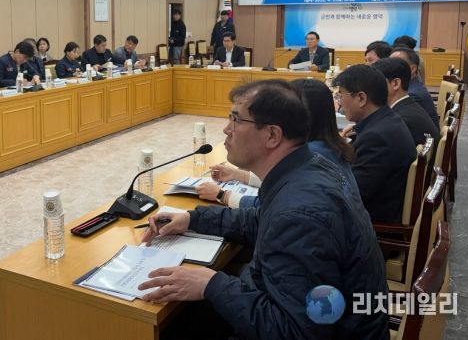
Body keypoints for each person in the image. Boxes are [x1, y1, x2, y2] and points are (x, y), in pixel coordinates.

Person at [139, 80, 388, 339]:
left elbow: (294, 331)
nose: (226, 129)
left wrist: (211, 284)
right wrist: (192, 219)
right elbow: (259, 221)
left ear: (272, 136)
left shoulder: (300, 212)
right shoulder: (307, 167)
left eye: (236, 120)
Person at [197, 78, 358, 208]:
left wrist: (222, 195)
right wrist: (239, 175)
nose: (226, 129)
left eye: (237, 120)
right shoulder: (322, 149)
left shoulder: (314, 156)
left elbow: (266, 208)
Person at [333, 64, 417, 223]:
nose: (340, 103)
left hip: (375, 224)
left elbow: (352, 195)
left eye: (341, 95)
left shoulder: (377, 138)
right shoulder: (387, 119)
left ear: (361, 98)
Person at [373, 58, 439, 146]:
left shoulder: (400, 120)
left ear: (396, 83)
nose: (371, 88)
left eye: (376, 82)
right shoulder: (409, 106)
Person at [390, 47, 439, 128]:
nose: (390, 68)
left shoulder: (413, 95)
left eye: (396, 64)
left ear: (412, 69)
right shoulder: (414, 86)